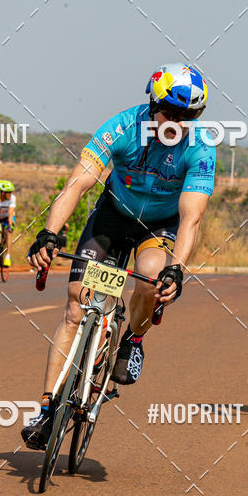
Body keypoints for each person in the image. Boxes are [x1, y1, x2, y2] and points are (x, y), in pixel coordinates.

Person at [22, 63, 216, 449]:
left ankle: (134, 339)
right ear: (153, 105)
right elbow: (78, 183)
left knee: (150, 276)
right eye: (169, 114)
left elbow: (191, 217)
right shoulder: (124, 126)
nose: (177, 124)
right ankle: (46, 409)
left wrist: (176, 270)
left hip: (158, 227)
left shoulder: (200, 147)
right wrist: (49, 233)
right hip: (112, 216)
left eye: (187, 117)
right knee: (75, 306)